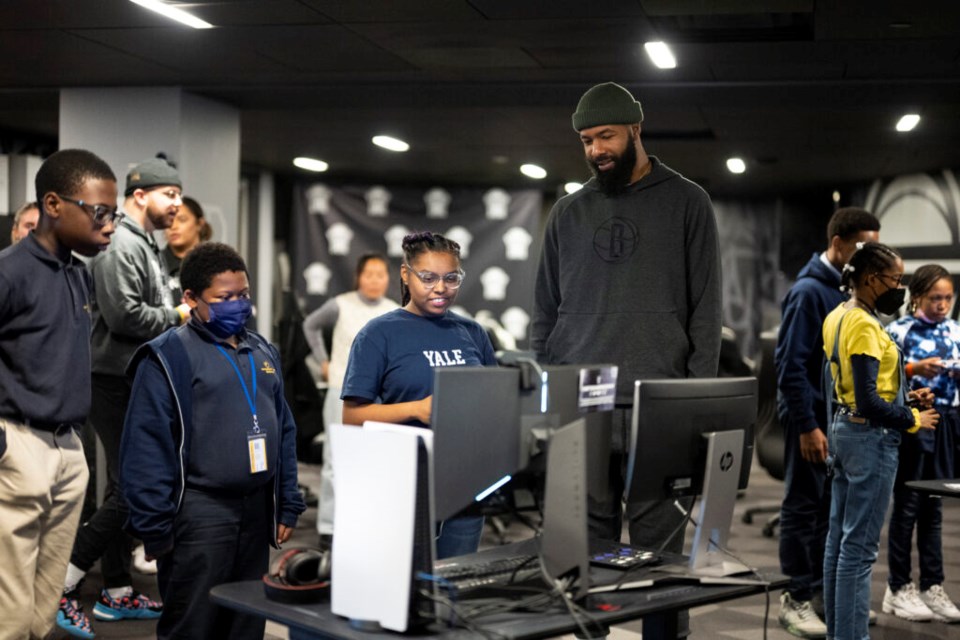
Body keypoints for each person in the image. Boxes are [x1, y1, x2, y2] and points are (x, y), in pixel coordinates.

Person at [531, 82, 721, 637]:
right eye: (587, 140)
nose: (596, 150)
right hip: (582, 407)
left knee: (661, 559)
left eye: (606, 136)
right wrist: (551, 387)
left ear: (637, 128)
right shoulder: (568, 213)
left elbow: (706, 314)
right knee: (585, 558)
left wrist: (694, 410)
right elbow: (545, 311)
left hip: (656, 406)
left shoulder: (688, 202)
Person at [120, 242, 305, 640]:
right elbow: (146, 445)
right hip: (199, 513)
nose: (237, 305)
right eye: (224, 298)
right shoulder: (167, 356)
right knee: (194, 625)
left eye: (243, 295)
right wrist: (153, 527)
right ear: (190, 298)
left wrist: (287, 502)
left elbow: (284, 430)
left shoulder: (262, 350)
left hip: (256, 511)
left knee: (246, 623)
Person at [58, 157, 191, 636]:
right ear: (141, 196)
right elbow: (125, 318)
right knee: (133, 488)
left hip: (133, 378)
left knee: (122, 485)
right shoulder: (121, 250)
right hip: (114, 380)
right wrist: (179, 314)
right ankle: (67, 580)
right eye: (169, 194)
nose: (177, 204)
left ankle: (114, 592)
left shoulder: (144, 246)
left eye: (178, 195)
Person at [0, 149, 119, 639]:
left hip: (69, 448)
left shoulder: (78, 271)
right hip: (20, 444)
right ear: (53, 204)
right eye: (100, 212)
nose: (110, 225)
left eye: (115, 214)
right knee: (8, 606)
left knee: (46, 603)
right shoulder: (9, 271)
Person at [341, 231, 497, 559]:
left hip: (464, 486)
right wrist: (418, 409)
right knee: (405, 594)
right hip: (401, 486)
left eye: (450, 278)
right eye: (428, 278)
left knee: (454, 585)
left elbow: (494, 399)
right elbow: (353, 418)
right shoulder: (378, 334)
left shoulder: (472, 333)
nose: (440, 288)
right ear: (405, 274)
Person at [821, 241, 939, 640]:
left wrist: (905, 397)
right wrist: (912, 417)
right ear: (871, 279)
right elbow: (870, 402)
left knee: (839, 544)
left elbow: (858, 390)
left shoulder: (840, 314)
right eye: (896, 279)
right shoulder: (866, 325)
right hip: (869, 440)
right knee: (858, 552)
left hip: (845, 430)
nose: (900, 287)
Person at [774, 207, 880, 637]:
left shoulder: (843, 291)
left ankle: (821, 593)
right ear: (838, 243)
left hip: (837, 424)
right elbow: (790, 367)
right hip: (812, 423)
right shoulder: (808, 292)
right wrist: (806, 425)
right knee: (802, 509)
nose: (869, 258)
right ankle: (795, 597)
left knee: (827, 514)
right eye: (862, 248)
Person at [302, 252, 398, 543]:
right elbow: (310, 325)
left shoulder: (394, 311)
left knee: (373, 460)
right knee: (335, 458)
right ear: (359, 276)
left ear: (388, 279)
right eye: (369, 274)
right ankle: (329, 529)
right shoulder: (341, 304)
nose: (374, 280)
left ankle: (365, 521)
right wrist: (323, 360)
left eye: (380, 274)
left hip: (380, 396)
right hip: (341, 390)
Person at [883, 264, 960, 623]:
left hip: (947, 424)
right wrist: (915, 370)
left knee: (934, 508)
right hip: (912, 424)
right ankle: (898, 586)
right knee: (908, 505)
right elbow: (884, 379)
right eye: (935, 298)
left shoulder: (956, 331)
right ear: (917, 298)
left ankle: (932, 585)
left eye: (948, 297)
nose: (943, 304)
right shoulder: (899, 331)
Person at [163, 195, 211, 302]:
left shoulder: (215, 263)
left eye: (182, 220)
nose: (173, 226)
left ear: (199, 224)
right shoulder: (155, 262)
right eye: (170, 219)